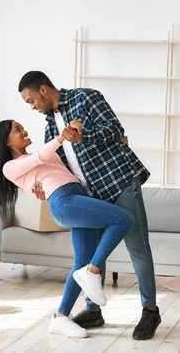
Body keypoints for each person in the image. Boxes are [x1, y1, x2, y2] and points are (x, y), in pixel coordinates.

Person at [18, 70, 161, 341]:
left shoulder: (86, 98)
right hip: (89, 192)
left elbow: (115, 131)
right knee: (93, 252)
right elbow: (54, 163)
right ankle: (92, 310)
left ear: (44, 90)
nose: (33, 107)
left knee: (137, 247)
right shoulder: (50, 125)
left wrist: (84, 137)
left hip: (119, 182)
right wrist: (39, 184)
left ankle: (150, 310)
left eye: (31, 100)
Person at [0, 118, 135, 338]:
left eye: (22, 126)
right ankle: (92, 271)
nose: (25, 130)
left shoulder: (36, 158)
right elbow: (41, 158)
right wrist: (60, 137)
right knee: (124, 220)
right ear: (6, 141)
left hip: (78, 196)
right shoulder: (9, 167)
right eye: (18, 130)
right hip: (64, 201)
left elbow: (69, 165)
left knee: (81, 263)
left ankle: (60, 317)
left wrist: (117, 147)